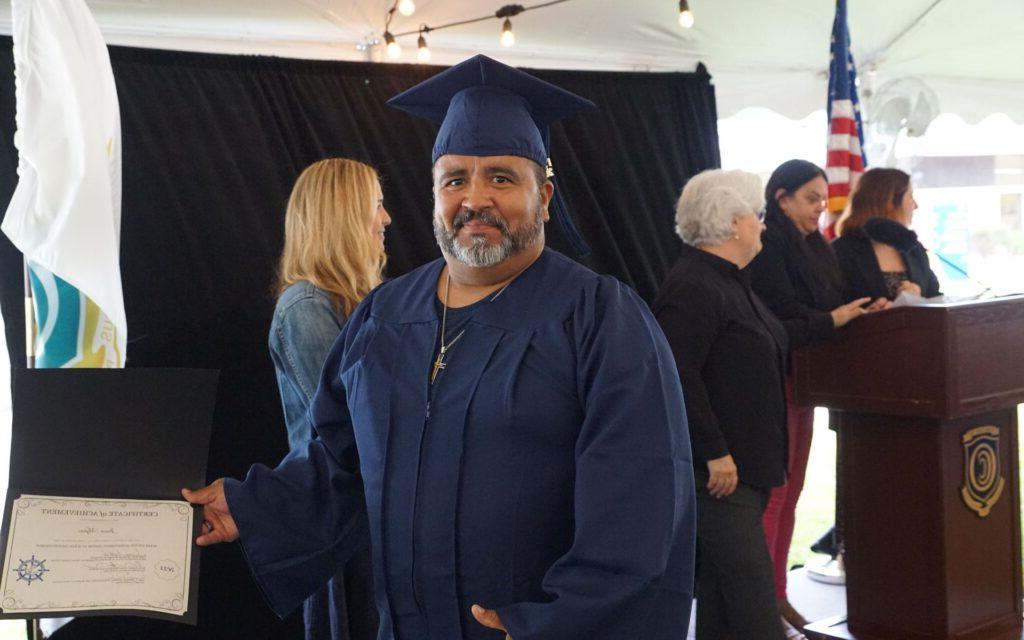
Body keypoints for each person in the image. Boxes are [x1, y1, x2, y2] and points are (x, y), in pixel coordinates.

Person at [184, 55, 696, 640]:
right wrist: (253, 505)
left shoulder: (600, 318)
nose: (475, 199)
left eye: (501, 177)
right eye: (455, 179)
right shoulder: (383, 317)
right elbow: (338, 461)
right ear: (434, 194)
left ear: (545, 196)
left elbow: (642, 498)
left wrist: (556, 623)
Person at [653, 169, 794, 640]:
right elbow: (675, 374)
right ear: (733, 222)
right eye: (757, 216)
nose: (762, 226)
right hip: (717, 474)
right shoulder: (694, 284)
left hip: (743, 470)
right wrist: (713, 450)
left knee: (723, 599)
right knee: (754, 605)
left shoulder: (731, 281)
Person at [747, 159, 880, 629]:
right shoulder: (766, 246)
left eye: (823, 200)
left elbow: (827, 304)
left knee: (794, 492)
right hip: (772, 381)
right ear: (780, 198)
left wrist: (870, 306)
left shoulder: (814, 248)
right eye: (810, 199)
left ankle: (778, 593)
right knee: (777, 494)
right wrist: (835, 319)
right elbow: (783, 319)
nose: (820, 209)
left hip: (803, 383)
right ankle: (762, 602)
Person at [269, 158, 390, 640]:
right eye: (376, 205)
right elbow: (355, 431)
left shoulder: (360, 305)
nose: (386, 219)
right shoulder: (306, 307)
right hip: (341, 526)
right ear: (343, 214)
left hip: (369, 521)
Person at [833, 167, 941, 303]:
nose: (916, 205)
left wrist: (917, 297)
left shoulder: (913, 248)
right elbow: (834, 309)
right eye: (910, 196)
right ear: (890, 203)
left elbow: (936, 299)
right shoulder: (840, 251)